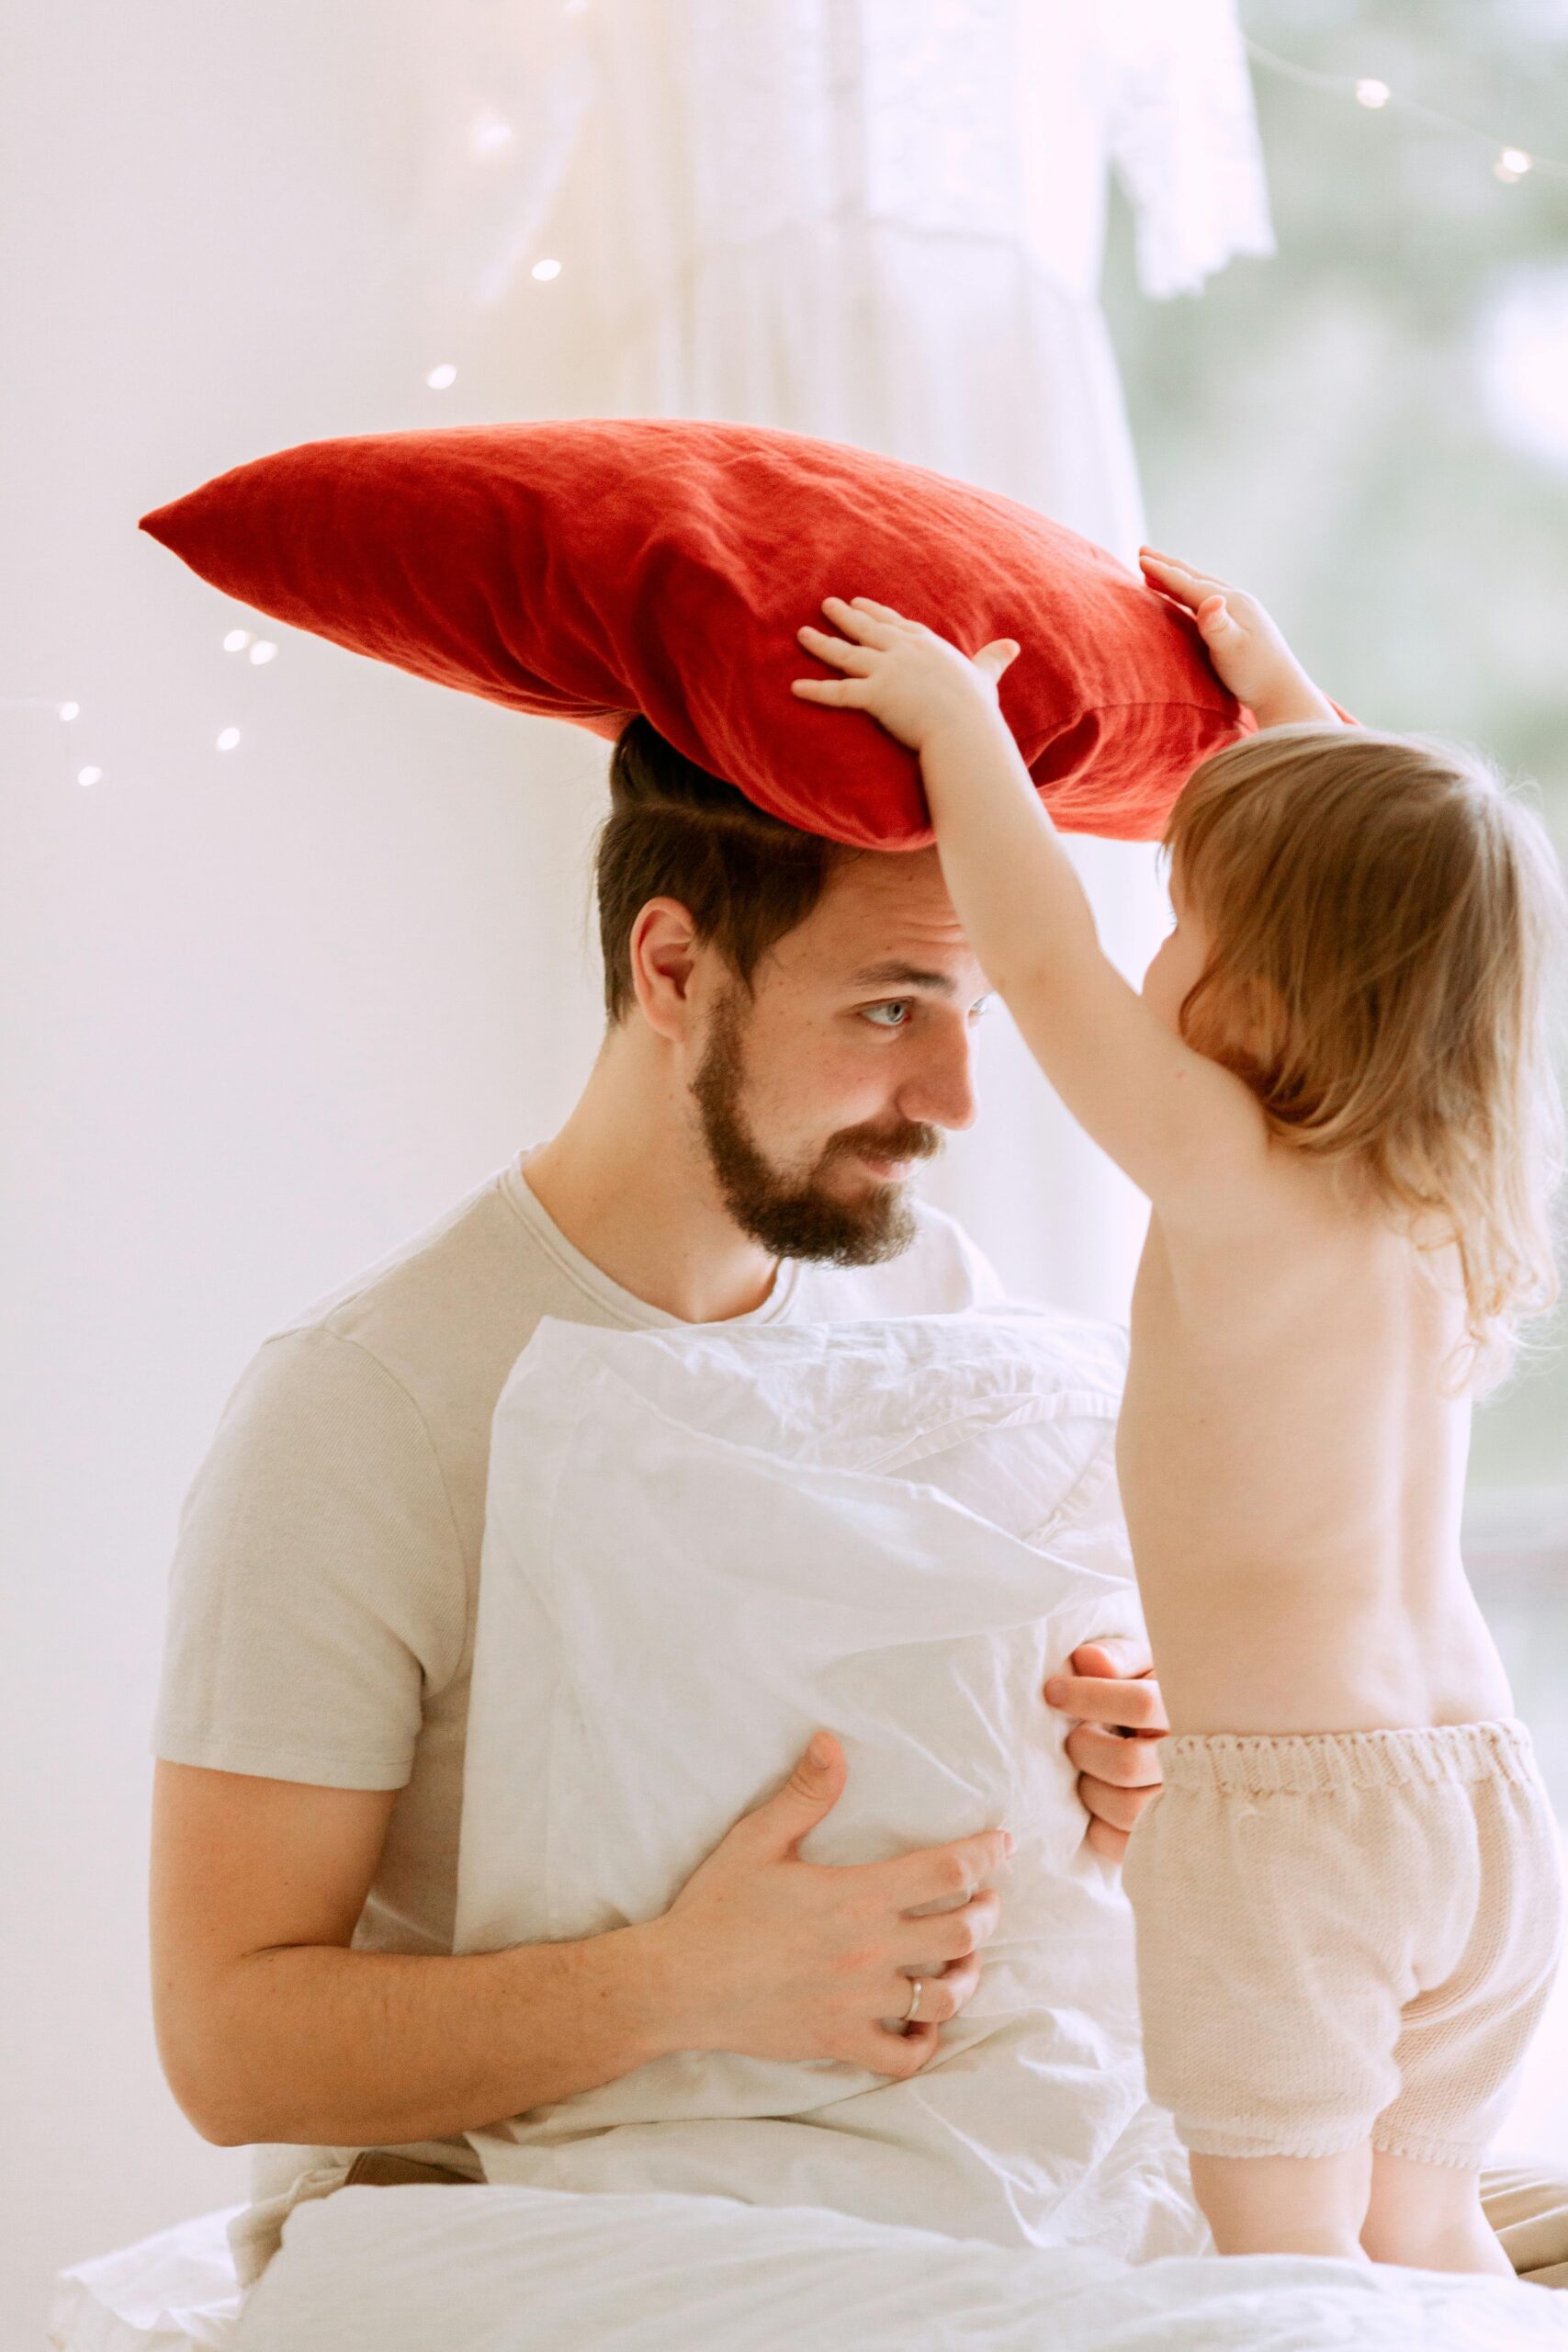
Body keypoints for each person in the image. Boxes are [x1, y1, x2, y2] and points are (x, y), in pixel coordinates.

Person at [148, 718, 1165, 2279]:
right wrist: (682, 1986)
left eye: (972, 1012)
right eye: (890, 1008)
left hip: (958, 2179)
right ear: (675, 969)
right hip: (524, 2225)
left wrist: (1114, 1752)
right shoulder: (372, 1402)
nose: (953, 1096)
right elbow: (227, 2045)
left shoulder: (938, 1314)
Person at [792, 560, 1567, 2276]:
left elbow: (1046, 962)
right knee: (1431, 2237)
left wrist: (957, 723)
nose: (1160, 958)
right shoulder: (1442, 1202)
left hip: (1293, 1823)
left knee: (1284, 2273)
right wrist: (1285, 699)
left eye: (1191, 929)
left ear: (1272, 990)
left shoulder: (1232, 1174)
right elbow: (1403, 899)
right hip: (1491, 1807)